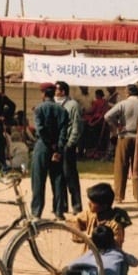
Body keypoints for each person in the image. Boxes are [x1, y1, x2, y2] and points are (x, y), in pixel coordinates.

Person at [30, 83, 68, 220]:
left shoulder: (39, 109)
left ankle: (36, 212)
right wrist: (57, 147)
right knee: (57, 179)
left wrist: (50, 144)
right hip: (57, 147)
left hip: (42, 146)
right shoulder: (62, 110)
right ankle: (58, 211)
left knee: (38, 180)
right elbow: (64, 132)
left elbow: (40, 129)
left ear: (44, 93)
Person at [104, 84, 138, 203]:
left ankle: (119, 196)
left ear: (128, 93)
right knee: (137, 167)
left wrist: (117, 126)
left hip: (124, 136)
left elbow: (107, 116)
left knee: (121, 166)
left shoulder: (123, 104)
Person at [67, 182, 133, 249]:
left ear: (104, 206)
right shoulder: (90, 214)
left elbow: (116, 245)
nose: (89, 203)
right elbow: (72, 221)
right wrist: (83, 235)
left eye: (93, 202)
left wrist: (97, 238)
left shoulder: (115, 224)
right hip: (89, 255)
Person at [55, 81, 83, 214]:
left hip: (67, 145)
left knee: (70, 176)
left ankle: (76, 206)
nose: (55, 92)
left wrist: (70, 143)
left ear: (63, 91)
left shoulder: (73, 105)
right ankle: (62, 205)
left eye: (57, 90)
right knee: (58, 177)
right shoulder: (54, 104)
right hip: (57, 146)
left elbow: (77, 126)